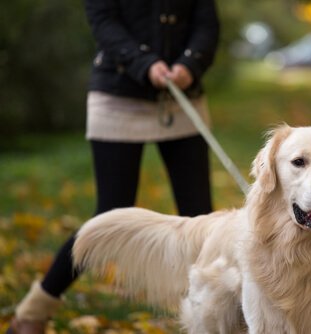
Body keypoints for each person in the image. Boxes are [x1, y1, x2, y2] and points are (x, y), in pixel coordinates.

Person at [7, 0, 219, 333]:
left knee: (202, 218)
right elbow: (103, 19)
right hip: (117, 97)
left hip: (182, 97)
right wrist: (145, 63)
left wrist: (189, 65)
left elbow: (206, 24)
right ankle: (34, 310)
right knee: (108, 215)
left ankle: (214, 317)